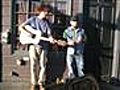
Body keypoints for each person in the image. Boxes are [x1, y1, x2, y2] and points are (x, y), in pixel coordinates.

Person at [19, 5, 55, 89]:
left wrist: (51, 39)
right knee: (33, 65)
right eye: (45, 12)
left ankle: (40, 82)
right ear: (41, 11)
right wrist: (28, 34)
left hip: (44, 46)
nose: (46, 14)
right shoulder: (33, 19)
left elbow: (49, 34)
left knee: (43, 65)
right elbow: (21, 27)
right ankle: (33, 83)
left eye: (47, 13)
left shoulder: (47, 23)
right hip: (33, 45)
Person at [62, 16, 86, 81]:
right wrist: (65, 43)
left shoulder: (82, 31)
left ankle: (82, 82)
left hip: (79, 51)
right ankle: (71, 83)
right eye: (73, 21)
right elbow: (63, 39)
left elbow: (84, 40)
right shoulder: (66, 31)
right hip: (70, 51)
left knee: (80, 68)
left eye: (76, 21)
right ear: (70, 22)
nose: (75, 23)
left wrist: (78, 41)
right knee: (70, 68)